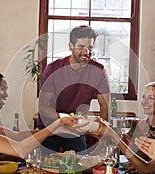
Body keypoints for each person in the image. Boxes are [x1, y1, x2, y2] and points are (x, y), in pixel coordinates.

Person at [37, 25, 110, 154]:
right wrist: (63, 119)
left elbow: (105, 106)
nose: (86, 52)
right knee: (45, 170)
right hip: (50, 127)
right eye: (81, 46)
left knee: (80, 168)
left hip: (77, 130)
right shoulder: (53, 69)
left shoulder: (98, 71)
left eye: (90, 47)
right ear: (70, 46)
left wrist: (103, 137)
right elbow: (43, 106)